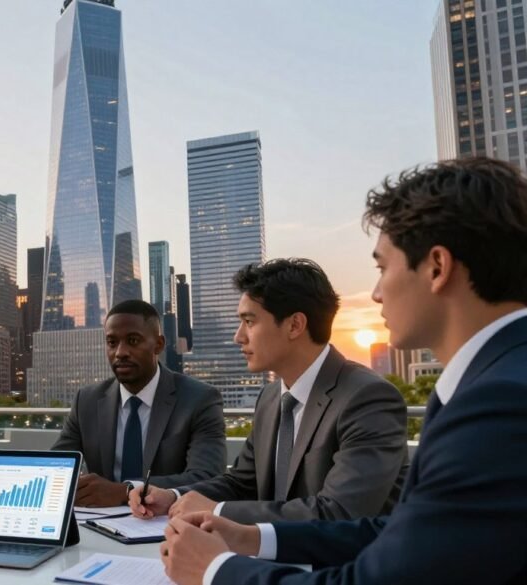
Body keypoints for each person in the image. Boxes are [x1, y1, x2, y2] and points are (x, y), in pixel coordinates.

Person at [161, 157, 527, 584]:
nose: (374, 293)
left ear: (437, 267)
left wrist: (215, 570)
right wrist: (252, 538)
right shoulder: (496, 381)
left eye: (381, 267)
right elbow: (400, 535)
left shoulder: (498, 404)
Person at [131, 259, 407, 523]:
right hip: (272, 558)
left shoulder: (367, 398)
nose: (238, 336)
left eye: (249, 321)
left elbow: (338, 513)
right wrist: (174, 497)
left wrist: (218, 512)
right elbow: (243, 482)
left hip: (341, 568)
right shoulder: (272, 397)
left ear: (295, 325)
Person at [52, 300, 226, 507]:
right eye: (112, 342)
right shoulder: (87, 401)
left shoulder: (199, 399)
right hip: (99, 521)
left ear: (158, 345)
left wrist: (126, 491)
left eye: (133, 341)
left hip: (166, 523)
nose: (120, 352)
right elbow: (55, 467)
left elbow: (208, 477)